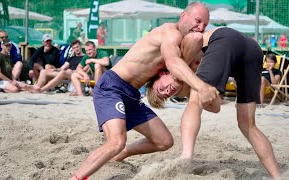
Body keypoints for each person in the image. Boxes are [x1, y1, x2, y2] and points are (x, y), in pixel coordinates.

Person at [71, 2, 212, 179]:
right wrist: (201, 86)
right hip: (112, 86)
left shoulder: (184, 42)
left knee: (164, 141)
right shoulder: (170, 33)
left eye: (205, 25)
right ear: (183, 16)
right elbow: (173, 63)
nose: (200, 27)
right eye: (198, 21)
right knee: (116, 141)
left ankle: (120, 155)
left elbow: (198, 42)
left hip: (131, 94)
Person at [175, 27, 280, 178]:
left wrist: (190, 82)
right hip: (254, 50)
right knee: (247, 125)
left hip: (225, 38)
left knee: (195, 98)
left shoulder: (184, 46)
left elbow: (195, 38)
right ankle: (277, 176)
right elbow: (216, 107)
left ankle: (186, 157)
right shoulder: (202, 51)